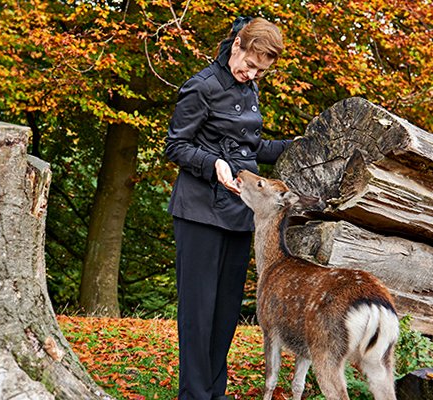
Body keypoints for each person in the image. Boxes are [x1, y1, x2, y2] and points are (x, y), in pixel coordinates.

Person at [163, 16, 291, 400]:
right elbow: (175, 145)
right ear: (237, 44)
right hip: (198, 211)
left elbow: (251, 150)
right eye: (249, 65)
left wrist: (294, 145)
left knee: (224, 315)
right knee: (198, 315)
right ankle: (195, 395)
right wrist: (209, 163)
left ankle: (214, 393)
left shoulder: (249, 88)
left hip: (238, 213)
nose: (251, 74)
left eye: (260, 71)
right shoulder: (201, 87)